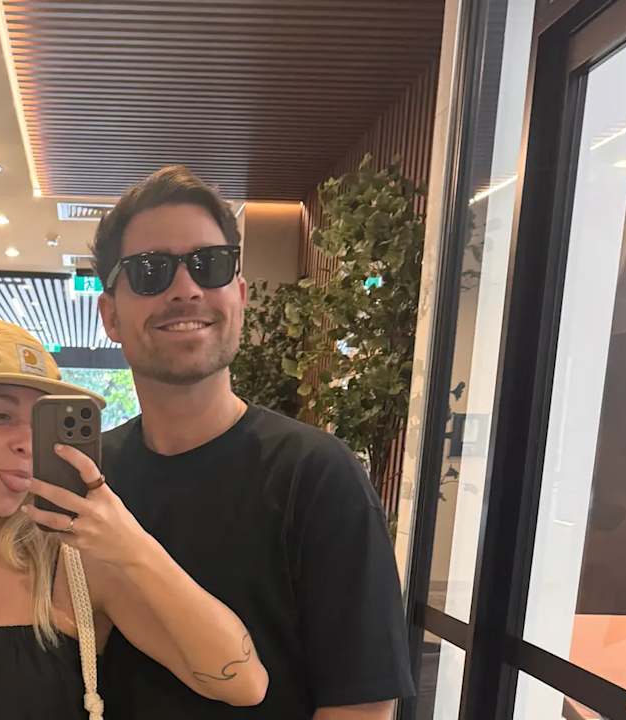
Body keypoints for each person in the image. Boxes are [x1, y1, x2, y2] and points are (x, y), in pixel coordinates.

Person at [93, 166, 415, 719]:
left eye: (209, 265)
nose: (186, 289)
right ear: (110, 315)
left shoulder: (317, 476)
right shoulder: (88, 479)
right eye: (150, 271)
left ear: (239, 296)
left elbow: (361, 706)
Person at [0, 318, 269, 719]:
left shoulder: (75, 567)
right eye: (1, 415)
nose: (27, 442)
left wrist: (134, 547)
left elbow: (244, 683)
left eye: (40, 423)